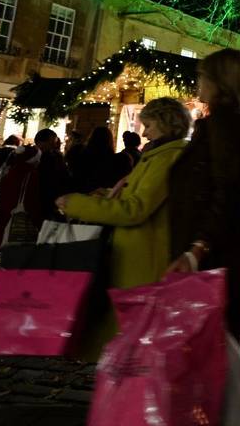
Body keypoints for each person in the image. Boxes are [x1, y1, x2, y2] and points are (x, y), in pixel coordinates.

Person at [56, 98, 192, 354]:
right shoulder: (158, 154)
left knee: (132, 345)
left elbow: (136, 209)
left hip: (142, 260)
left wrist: (77, 204)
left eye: (149, 124)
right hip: (134, 255)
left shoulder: (167, 158)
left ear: (166, 123)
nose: (144, 131)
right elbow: (136, 197)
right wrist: (105, 194)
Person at [166, 49, 240, 337]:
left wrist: (197, 249)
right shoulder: (236, 123)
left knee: (209, 353)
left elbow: (225, 193)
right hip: (228, 257)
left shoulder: (222, 125)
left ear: (219, 81)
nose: (198, 83)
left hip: (217, 260)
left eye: (203, 76)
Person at [0, 129, 72, 252]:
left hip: (4, 218)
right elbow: (34, 201)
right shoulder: (32, 174)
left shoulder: (11, 171)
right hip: (24, 220)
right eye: (53, 141)